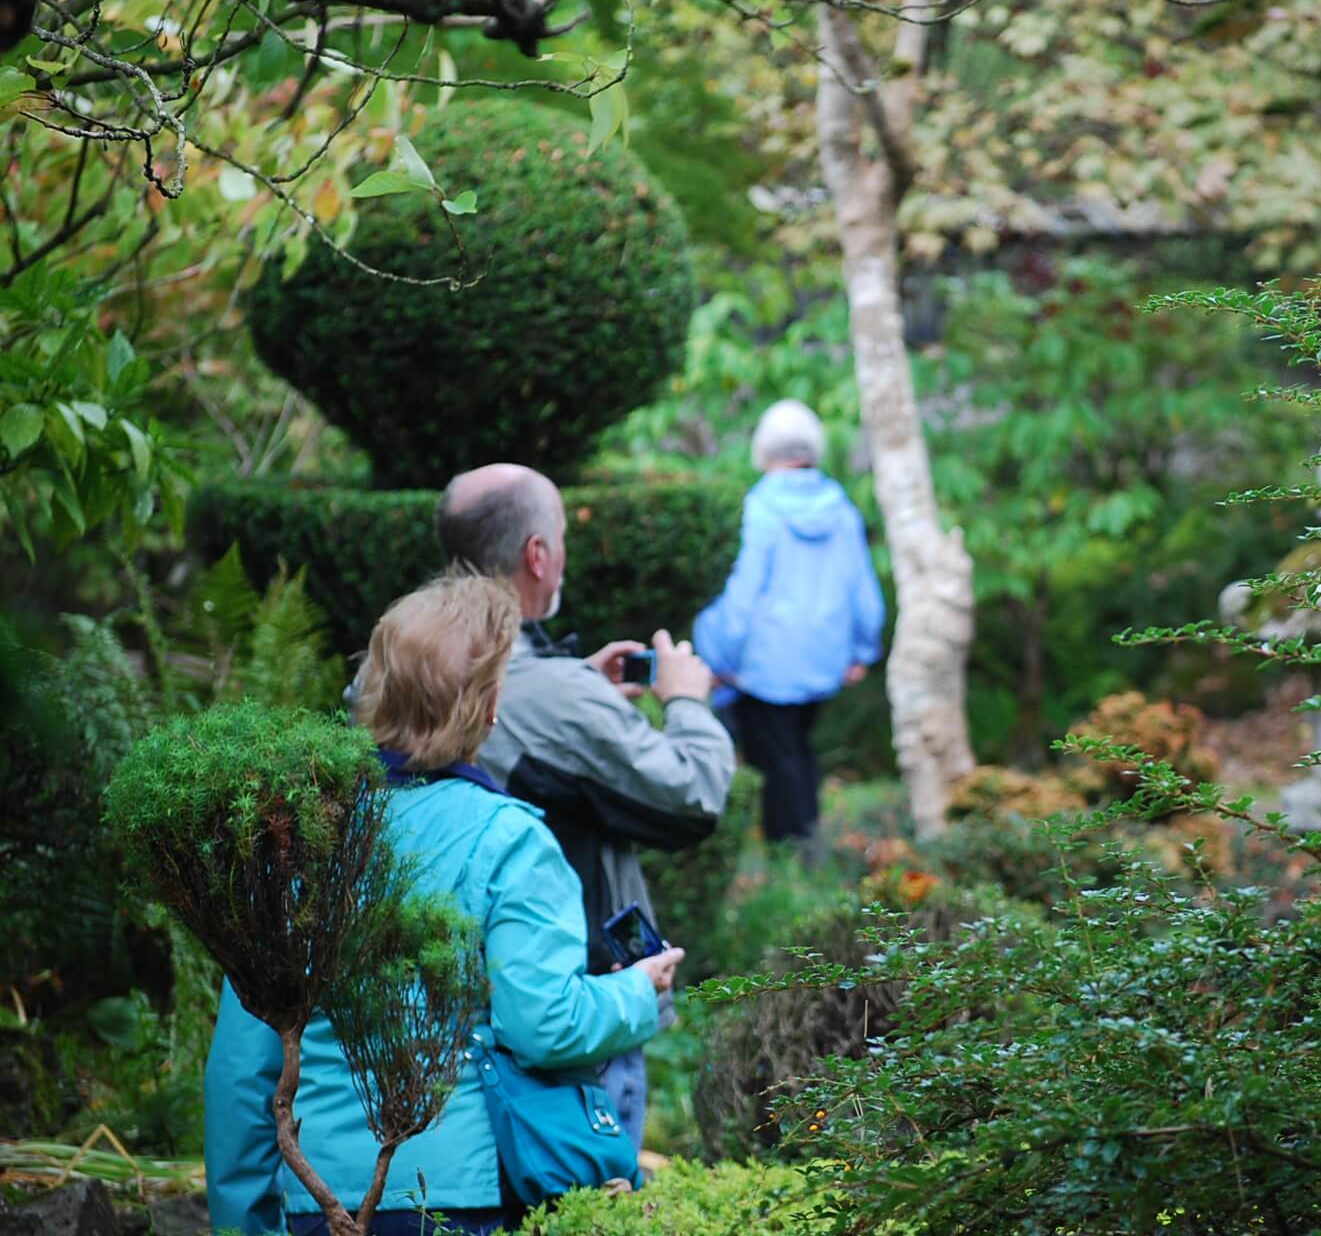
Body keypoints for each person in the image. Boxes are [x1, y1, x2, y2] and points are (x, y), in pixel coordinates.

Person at [204, 574, 686, 1235]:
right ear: (489, 709)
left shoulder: (300, 848)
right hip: (458, 1196)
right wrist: (635, 992)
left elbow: (241, 1067)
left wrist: (247, 1224)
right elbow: (541, 1024)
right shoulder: (510, 841)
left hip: (316, 1198)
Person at [434, 463, 736, 1149]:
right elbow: (692, 797)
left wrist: (578, 689)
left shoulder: (393, 673)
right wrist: (685, 697)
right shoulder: (554, 696)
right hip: (572, 1011)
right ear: (537, 554)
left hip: (437, 1007)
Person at [694, 400, 886, 845]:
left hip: (761, 668)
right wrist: (863, 650)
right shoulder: (842, 512)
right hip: (824, 660)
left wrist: (717, 658)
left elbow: (738, 600)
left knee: (776, 764)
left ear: (763, 450)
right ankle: (810, 846)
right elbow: (863, 590)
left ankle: (793, 858)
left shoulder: (757, 513)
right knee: (798, 751)